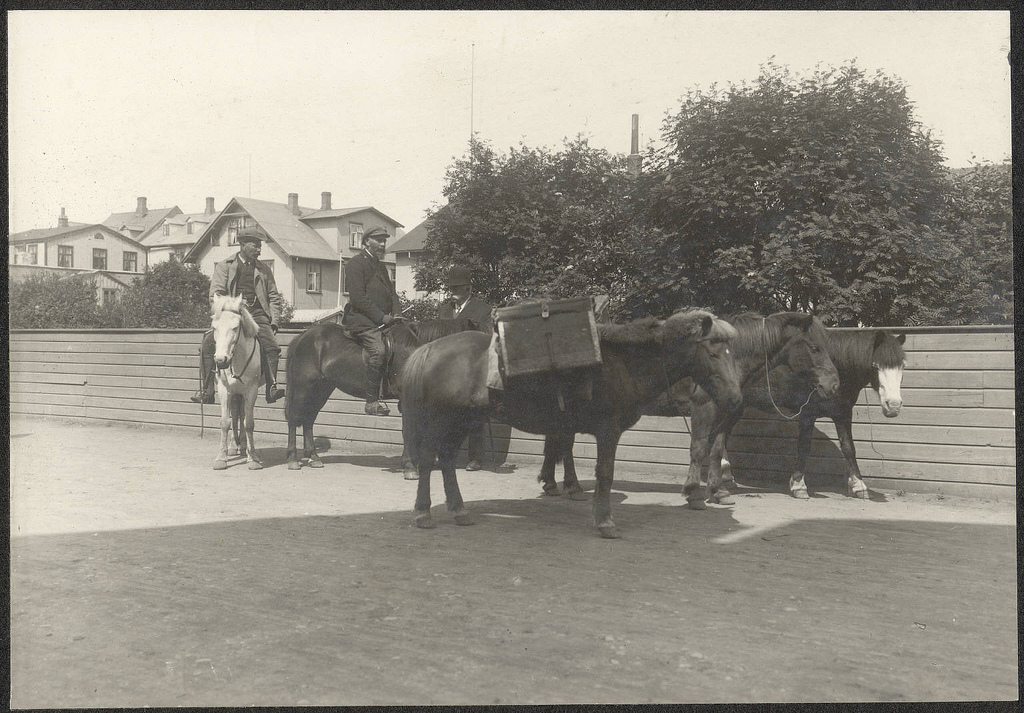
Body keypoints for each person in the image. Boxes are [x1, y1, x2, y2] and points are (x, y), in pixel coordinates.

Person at [190, 228, 286, 405]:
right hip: (231, 312)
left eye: (260, 246)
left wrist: (274, 321)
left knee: (272, 346)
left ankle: (271, 387)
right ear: (242, 245)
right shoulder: (225, 266)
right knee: (207, 344)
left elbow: (273, 297)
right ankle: (207, 390)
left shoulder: (264, 270)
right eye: (255, 246)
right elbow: (215, 295)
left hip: (256, 313)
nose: (259, 249)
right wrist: (229, 308)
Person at [341, 226, 403, 416]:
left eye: (384, 240)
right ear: (367, 241)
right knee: (379, 350)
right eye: (379, 240)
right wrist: (381, 317)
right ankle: (371, 401)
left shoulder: (381, 265)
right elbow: (358, 298)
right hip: (362, 320)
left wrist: (397, 314)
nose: (383, 244)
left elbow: (392, 294)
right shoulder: (355, 264)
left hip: (383, 320)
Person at [438, 265, 492, 470]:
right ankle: (445, 455)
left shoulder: (482, 309)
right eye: (450, 287)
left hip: (472, 368)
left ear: (468, 288)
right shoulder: (444, 309)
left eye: (457, 287)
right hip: (447, 369)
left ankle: (476, 458)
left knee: (475, 411)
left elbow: (488, 335)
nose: (452, 291)